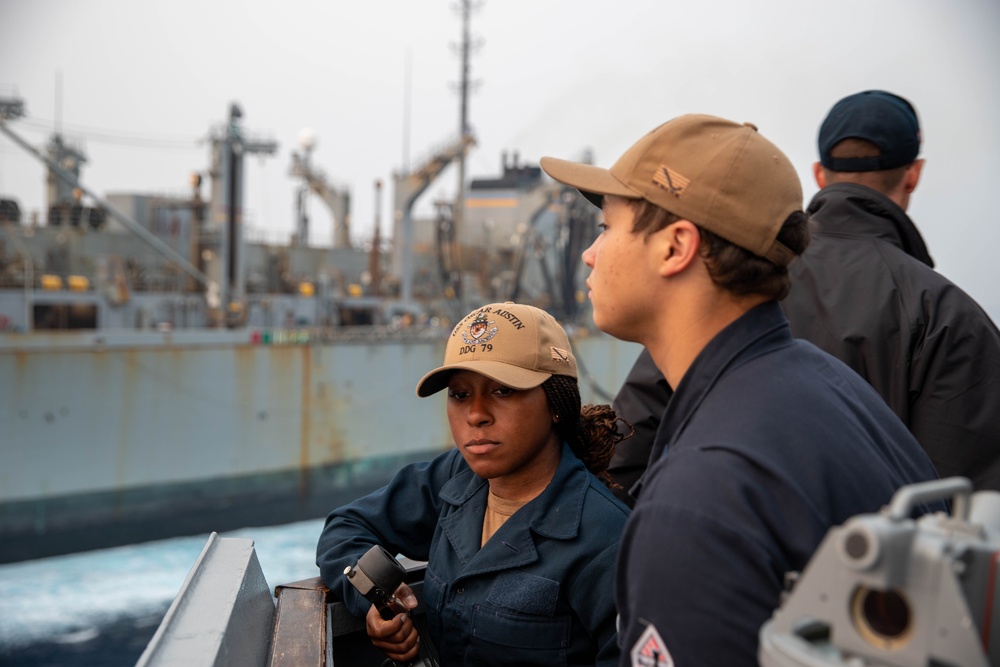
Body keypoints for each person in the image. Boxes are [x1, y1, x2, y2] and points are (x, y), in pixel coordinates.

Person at [539, 114, 942, 666]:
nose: (590, 253)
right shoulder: (831, 389)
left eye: (608, 227)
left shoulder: (700, 496)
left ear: (675, 247)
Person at [610, 91, 1000, 497]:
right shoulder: (949, 316)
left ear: (818, 174)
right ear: (913, 174)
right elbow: (962, 506)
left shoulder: (731, 278)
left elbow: (623, 453)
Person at [315, 301, 632, 667]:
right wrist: (375, 597)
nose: (476, 414)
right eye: (460, 394)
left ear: (556, 403)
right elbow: (346, 527)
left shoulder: (608, 542)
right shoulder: (458, 478)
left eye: (503, 390)